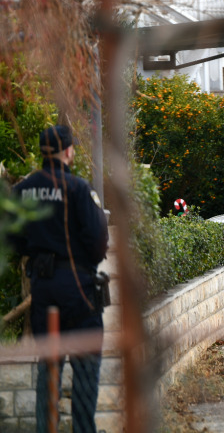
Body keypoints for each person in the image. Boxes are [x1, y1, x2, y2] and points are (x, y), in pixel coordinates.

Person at [9, 124, 109, 433]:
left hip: (43, 287)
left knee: (48, 368)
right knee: (86, 366)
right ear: (68, 151)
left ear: (43, 152)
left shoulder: (23, 190)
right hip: (78, 287)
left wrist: (35, 253)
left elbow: (11, 236)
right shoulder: (78, 188)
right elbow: (98, 240)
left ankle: (46, 428)